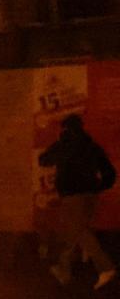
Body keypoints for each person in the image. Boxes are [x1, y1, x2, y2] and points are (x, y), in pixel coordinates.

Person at [38, 113, 116, 289]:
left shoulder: (64, 145)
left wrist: (59, 143)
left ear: (65, 129)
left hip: (72, 196)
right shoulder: (92, 146)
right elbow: (109, 173)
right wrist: (98, 186)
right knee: (75, 232)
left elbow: (43, 160)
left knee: (78, 231)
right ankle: (63, 270)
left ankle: (105, 267)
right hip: (91, 197)